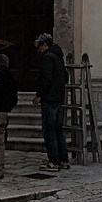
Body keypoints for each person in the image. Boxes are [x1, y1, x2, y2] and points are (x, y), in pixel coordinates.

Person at [31, 32, 68, 171]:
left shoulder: (48, 57)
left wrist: (39, 95)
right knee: (58, 130)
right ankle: (64, 159)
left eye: (39, 47)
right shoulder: (59, 57)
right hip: (58, 98)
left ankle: (54, 161)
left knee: (49, 131)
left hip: (49, 99)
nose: (38, 51)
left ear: (45, 45)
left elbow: (46, 78)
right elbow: (66, 76)